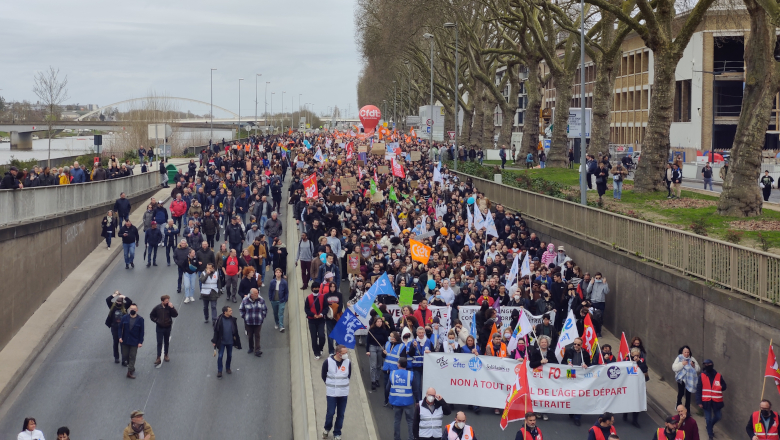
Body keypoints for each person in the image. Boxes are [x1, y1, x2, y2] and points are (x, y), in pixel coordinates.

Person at [322, 345, 351, 440]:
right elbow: (323, 375)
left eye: (346, 352)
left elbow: (348, 375)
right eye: (344, 353)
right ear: (338, 353)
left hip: (343, 393)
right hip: (332, 393)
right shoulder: (328, 362)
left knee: (341, 414)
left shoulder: (348, 362)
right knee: (330, 413)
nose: (346, 355)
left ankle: (337, 433)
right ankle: (327, 428)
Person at [562, 337, 591, 425]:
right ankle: (571, 410)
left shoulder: (585, 353)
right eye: (574, 344)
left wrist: (586, 365)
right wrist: (567, 364)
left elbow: (589, 364)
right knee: (571, 393)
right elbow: (563, 362)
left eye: (578, 344)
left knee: (580, 395)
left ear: (581, 345)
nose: (576, 346)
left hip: (581, 375)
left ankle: (577, 417)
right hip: (571, 373)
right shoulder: (568, 351)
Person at [696, 359, 726, 440]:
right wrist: (699, 401)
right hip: (706, 401)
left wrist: (721, 387)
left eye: (708, 364)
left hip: (716, 401)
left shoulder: (718, 375)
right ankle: (710, 434)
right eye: (705, 364)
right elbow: (698, 389)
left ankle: (709, 426)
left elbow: (724, 386)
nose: (707, 366)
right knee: (708, 419)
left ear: (712, 364)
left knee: (718, 416)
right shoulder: (701, 376)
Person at [211, 305, 242, 379]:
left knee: (229, 355)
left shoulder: (233, 320)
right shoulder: (219, 320)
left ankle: (228, 368)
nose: (231, 312)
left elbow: (235, 331)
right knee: (220, 356)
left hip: (230, 341)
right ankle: (220, 370)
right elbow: (216, 331)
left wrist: (237, 341)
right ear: (225, 312)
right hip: (222, 341)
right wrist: (214, 341)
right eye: (230, 311)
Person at [390, 357, 415, 440]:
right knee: (410, 421)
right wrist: (418, 400)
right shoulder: (410, 374)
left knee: (397, 420)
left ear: (399, 364)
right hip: (408, 401)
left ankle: (396, 438)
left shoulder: (393, 373)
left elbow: (387, 387)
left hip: (396, 400)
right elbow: (415, 388)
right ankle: (411, 438)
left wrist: (387, 399)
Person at [149, 295, 178, 365]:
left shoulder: (169, 307)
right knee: (159, 342)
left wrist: (172, 308)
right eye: (166, 301)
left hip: (167, 327)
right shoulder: (157, 308)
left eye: (168, 301)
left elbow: (175, 315)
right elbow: (151, 315)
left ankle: (166, 355)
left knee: (166, 341)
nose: (168, 302)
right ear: (162, 301)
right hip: (159, 327)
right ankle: (158, 357)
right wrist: (157, 320)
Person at [239, 288, 268, 357]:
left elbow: (265, 309)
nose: (257, 294)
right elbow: (241, 309)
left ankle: (257, 350)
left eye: (257, 293)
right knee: (250, 336)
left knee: (257, 335)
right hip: (249, 322)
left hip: (258, 322)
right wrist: (245, 317)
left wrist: (262, 317)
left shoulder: (261, 300)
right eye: (256, 293)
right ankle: (251, 347)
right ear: (251, 295)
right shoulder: (245, 300)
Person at [105, 291, 132, 364]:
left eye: (120, 302)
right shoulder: (112, 306)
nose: (118, 304)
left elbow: (130, 301)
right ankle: (116, 357)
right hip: (114, 327)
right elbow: (107, 299)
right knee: (116, 342)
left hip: (123, 327)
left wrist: (123, 296)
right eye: (117, 302)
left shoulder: (125, 306)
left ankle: (124, 359)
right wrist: (115, 295)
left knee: (123, 343)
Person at [119, 303, 144, 379]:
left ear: (137, 310)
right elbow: (120, 328)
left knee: (132, 356)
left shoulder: (140, 319)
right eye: (131, 309)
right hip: (125, 340)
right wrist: (120, 337)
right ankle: (131, 366)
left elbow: (141, 331)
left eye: (134, 309)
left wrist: (140, 342)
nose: (132, 310)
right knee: (125, 355)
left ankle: (129, 372)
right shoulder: (124, 318)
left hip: (134, 341)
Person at [673, 345, 700, 413]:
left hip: (690, 380)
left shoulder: (692, 359)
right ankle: (678, 406)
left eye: (688, 352)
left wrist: (693, 366)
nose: (687, 354)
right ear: (682, 352)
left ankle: (687, 410)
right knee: (681, 393)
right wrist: (682, 364)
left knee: (688, 395)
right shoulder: (679, 358)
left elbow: (698, 369)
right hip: (681, 379)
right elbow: (674, 368)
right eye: (685, 352)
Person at [306, 281, 328, 359]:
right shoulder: (308, 298)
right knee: (314, 337)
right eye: (315, 288)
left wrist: (321, 314)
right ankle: (316, 352)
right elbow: (306, 309)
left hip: (321, 320)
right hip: (312, 320)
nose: (316, 289)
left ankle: (320, 347)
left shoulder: (323, 297)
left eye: (318, 288)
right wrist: (313, 315)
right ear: (312, 289)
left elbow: (326, 308)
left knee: (322, 336)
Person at [269, 268, 289, 332]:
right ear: (275, 273)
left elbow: (286, 292)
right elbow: (270, 291)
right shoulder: (272, 282)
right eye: (277, 272)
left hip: (281, 300)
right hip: (274, 300)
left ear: (281, 273)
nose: (278, 273)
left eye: (279, 272)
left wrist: (285, 299)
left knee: (281, 313)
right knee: (275, 313)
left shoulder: (284, 282)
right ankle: (276, 322)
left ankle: (281, 325)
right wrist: (270, 298)